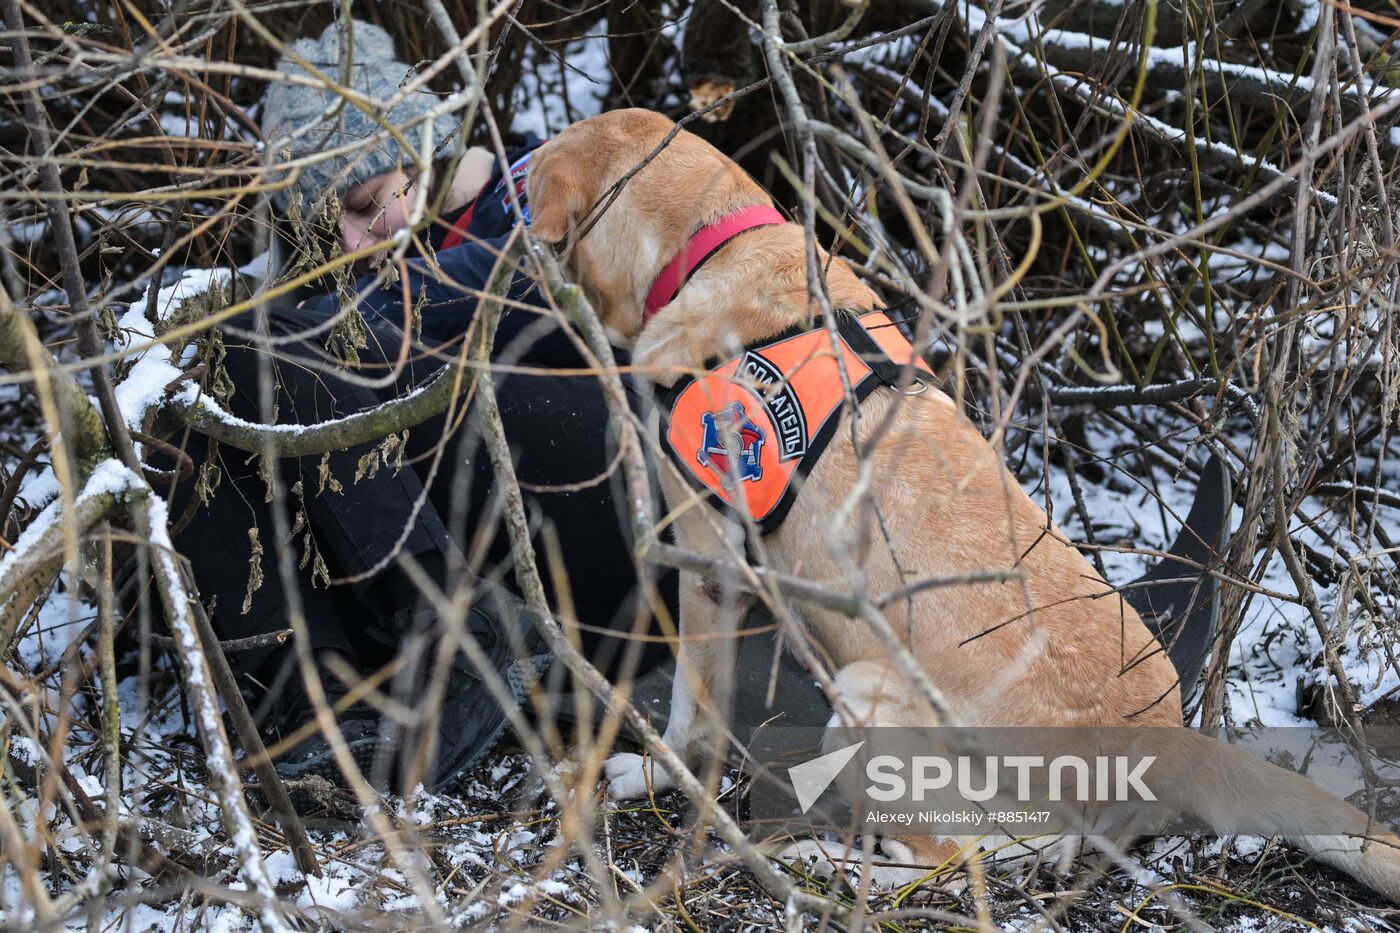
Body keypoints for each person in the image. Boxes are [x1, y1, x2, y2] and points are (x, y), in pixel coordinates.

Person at [168, 20, 672, 794]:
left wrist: (403, 293)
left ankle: (452, 634)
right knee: (213, 404)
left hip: (622, 500)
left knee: (266, 344)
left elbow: (574, 293)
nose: (389, 221)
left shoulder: (525, 198)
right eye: (357, 209)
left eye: (395, 188)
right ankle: (316, 724)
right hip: (537, 581)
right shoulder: (324, 302)